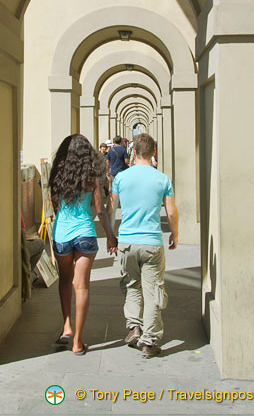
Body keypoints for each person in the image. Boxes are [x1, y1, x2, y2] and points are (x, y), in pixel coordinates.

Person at [107, 132, 179, 358]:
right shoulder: (163, 179)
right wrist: (175, 234)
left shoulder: (121, 179)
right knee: (153, 290)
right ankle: (149, 340)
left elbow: (111, 208)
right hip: (151, 242)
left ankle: (134, 327)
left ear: (133, 153)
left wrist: (111, 236)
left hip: (127, 242)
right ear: (153, 153)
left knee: (130, 286)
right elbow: (171, 211)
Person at [49, 134, 117, 355]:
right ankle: (78, 341)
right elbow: (99, 210)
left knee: (65, 281)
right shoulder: (91, 176)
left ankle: (66, 325)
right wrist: (110, 235)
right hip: (85, 234)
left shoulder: (57, 175)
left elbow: (55, 205)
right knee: (82, 286)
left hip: (61, 234)